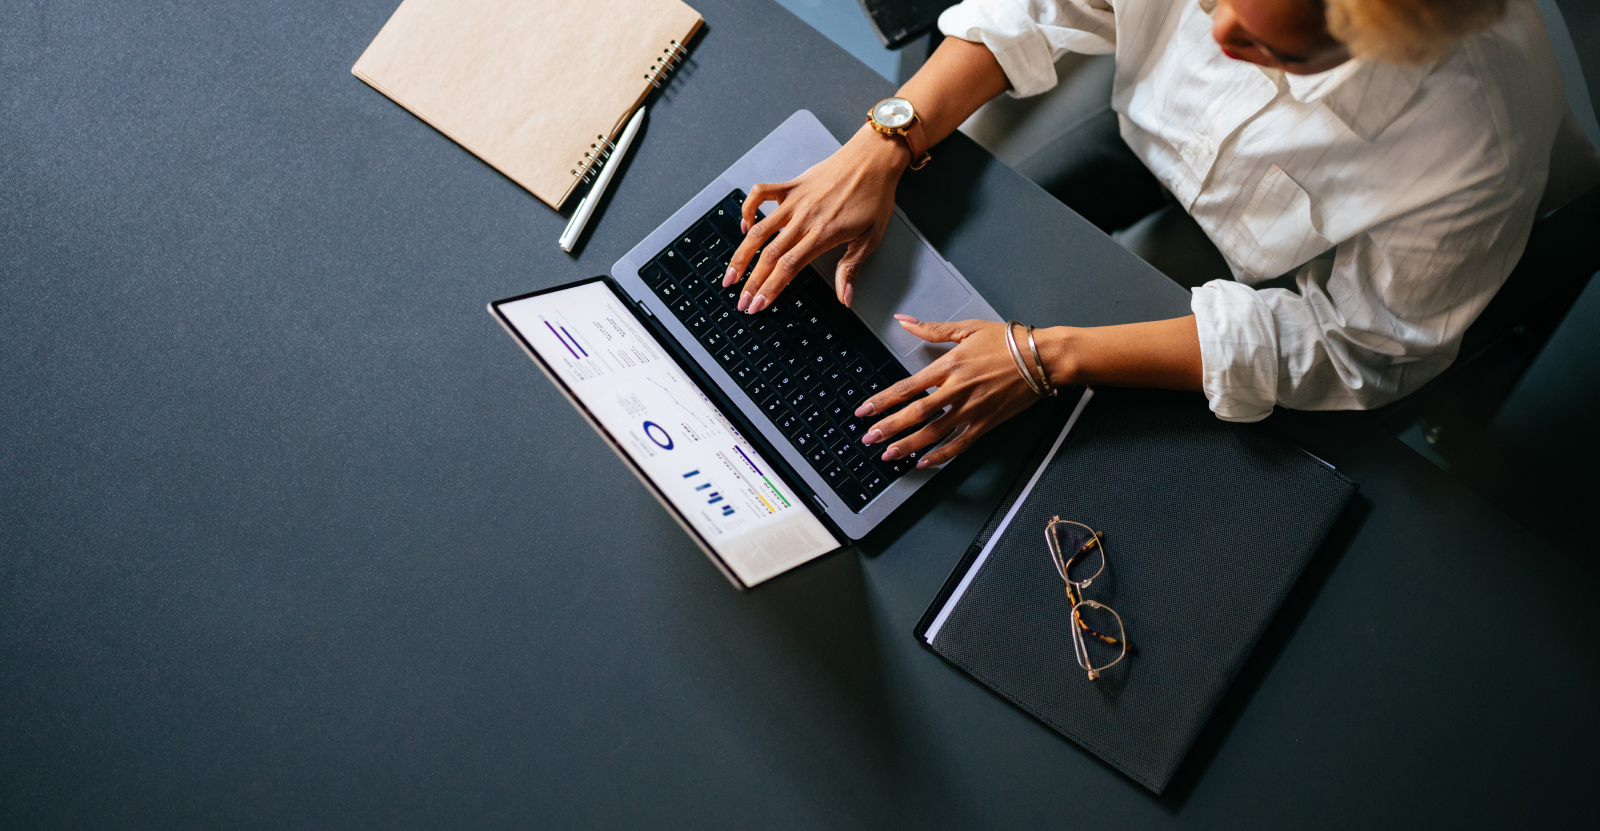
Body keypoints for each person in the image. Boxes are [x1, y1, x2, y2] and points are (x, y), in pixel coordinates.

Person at [720, 0, 1565, 469]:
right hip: (1137, 118)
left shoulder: (1477, 146)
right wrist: (886, 139)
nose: (1220, 34)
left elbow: (1359, 346)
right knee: (962, 250)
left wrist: (1051, 356)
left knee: (1062, 414)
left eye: (1271, 44)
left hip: (1280, 266)